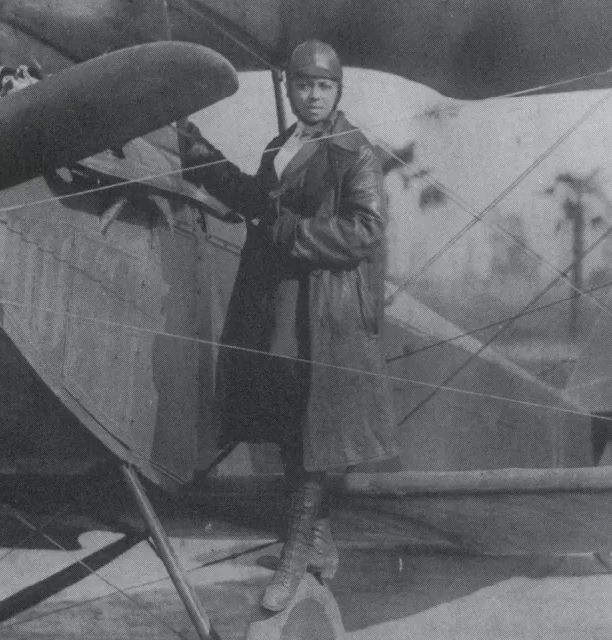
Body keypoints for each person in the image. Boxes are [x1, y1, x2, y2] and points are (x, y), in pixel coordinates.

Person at [178, 40, 396, 612]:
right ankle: (318, 543)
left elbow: (365, 231)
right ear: (292, 89)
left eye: (324, 85)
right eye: (304, 84)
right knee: (285, 423)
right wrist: (202, 159)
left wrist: (293, 233)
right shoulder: (283, 145)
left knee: (309, 432)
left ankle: (295, 557)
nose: (314, 94)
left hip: (323, 316)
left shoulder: (355, 153)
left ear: (338, 90)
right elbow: (259, 201)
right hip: (277, 308)